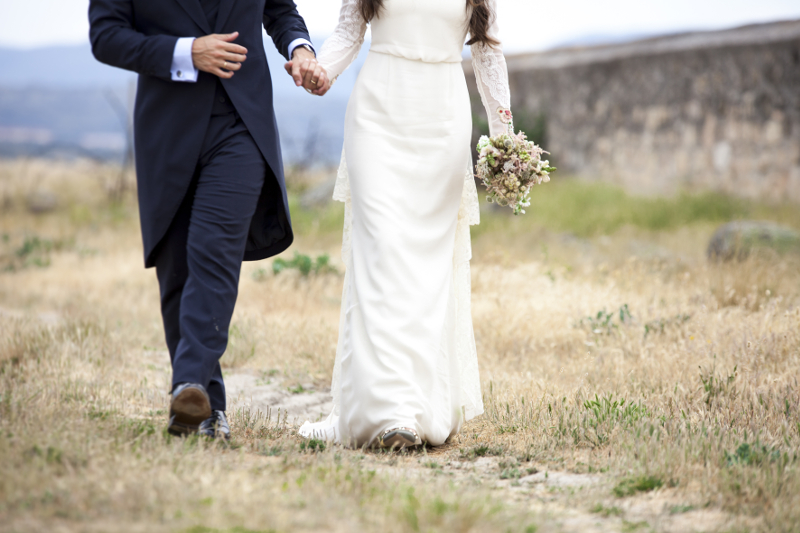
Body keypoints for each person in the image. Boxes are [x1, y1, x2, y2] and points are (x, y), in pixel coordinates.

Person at [88, 0, 329, 439]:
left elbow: (279, 10)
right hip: (167, 131)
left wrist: (300, 49)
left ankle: (188, 383)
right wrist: (185, 52)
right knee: (177, 269)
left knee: (214, 253)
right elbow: (106, 36)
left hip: (241, 126)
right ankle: (207, 411)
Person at [299, 0, 513, 448]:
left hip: (442, 119)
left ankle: (415, 405)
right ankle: (390, 412)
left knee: (426, 267)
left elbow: (487, 51)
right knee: (381, 252)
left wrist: (504, 137)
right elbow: (348, 33)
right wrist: (323, 70)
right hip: (378, 113)